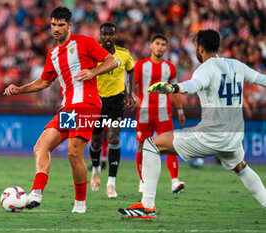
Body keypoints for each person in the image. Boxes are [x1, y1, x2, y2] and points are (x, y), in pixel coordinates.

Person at [118, 29, 266, 219]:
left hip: (211, 135)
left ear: (200, 47)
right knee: (241, 167)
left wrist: (173, 88)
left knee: (150, 145)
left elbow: (193, 85)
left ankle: (147, 207)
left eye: (196, 45)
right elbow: (261, 79)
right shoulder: (236, 65)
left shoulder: (205, 68)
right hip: (234, 136)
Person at [3, 7, 118, 213]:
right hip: (68, 108)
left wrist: (93, 71)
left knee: (73, 153)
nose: (56, 29)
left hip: (87, 104)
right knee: (41, 147)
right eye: (53, 24)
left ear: (69, 25)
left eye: (61, 25)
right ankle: (36, 193)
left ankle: (80, 203)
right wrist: (19, 89)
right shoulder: (53, 54)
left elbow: (113, 61)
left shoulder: (85, 42)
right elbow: (44, 82)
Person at [134, 34, 186, 193]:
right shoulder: (140, 66)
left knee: (170, 145)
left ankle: (175, 181)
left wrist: (180, 109)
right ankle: (142, 181)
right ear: (150, 45)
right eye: (157, 43)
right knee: (142, 145)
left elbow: (175, 90)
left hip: (164, 113)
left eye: (163, 44)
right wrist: (133, 98)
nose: (160, 46)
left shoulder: (169, 67)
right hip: (144, 112)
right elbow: (129, 87)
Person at [89, 22, 135, 199]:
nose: (108, 37)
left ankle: (111, 184)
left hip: (116, 100)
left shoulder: (124, 54)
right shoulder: (93, 53)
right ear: (100, 36)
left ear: (116, 36)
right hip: (97, 101)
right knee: (96, 141)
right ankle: (95, 170)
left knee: (114, 137)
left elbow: (131, 71)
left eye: (111, 34)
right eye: (105, 34)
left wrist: (130, 93)